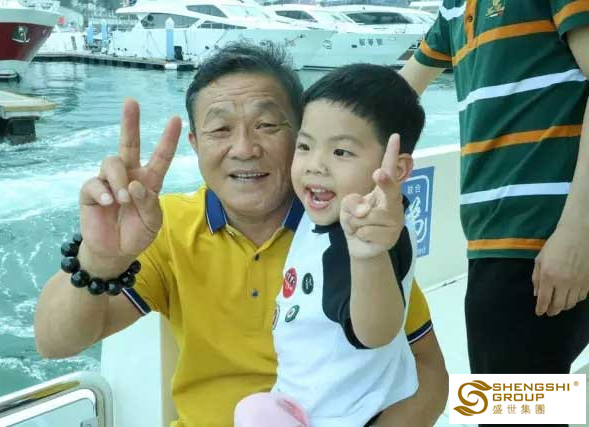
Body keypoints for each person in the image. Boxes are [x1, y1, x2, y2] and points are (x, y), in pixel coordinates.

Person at [35, 42, 448, 427]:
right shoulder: (165, 227)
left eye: (266, 125)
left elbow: (430, 371)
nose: (245, 148)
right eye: (220, 130)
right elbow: (54, 342)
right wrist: (101, 258)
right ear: (195, 144)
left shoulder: (348, 231)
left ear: (298, 133)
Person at [400, 0, 589, 396]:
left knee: (509, 409)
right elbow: (394, 96)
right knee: (528, 406)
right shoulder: (453, 9)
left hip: (541, 240)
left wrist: (577, 233)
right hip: (495, 243)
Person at [234, 64, 426, 426]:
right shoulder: (321, 214)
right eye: (304, 146)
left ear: (397, 170)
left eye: (341, 152)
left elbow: (376, 332)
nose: (315, 165)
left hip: (346, 416)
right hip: (302, 400)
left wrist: (368, 256)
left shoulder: (369, 238)